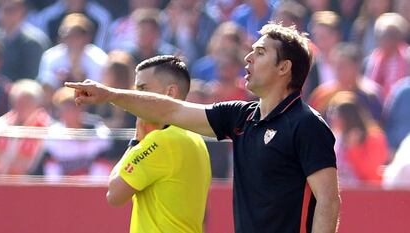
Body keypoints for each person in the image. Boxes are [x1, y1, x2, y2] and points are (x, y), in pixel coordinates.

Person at [66, 22, 340, 233]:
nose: (248, 58)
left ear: (284, 68)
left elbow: (328, 200)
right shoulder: (241, 116)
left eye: (260, 52)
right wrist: (110, 94)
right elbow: (171, 109)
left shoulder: (307, 124)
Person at [105, 56, 212, 233]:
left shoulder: (162, 141)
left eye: (143, 88)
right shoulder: (195, 138)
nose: (136, 96)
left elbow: (114, 195)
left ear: (170, 92)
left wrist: (136, 141)